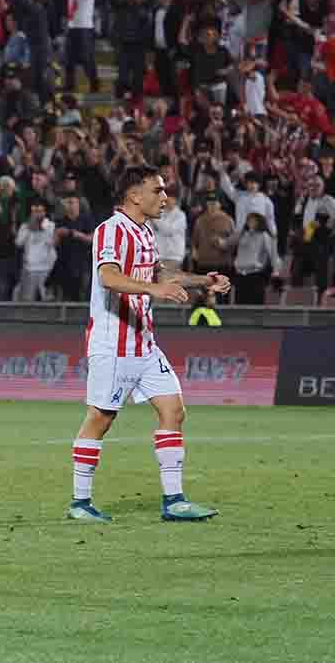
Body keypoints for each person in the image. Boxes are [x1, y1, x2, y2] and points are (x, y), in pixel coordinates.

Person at [68, 165, 230, 525]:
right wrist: (155, 289)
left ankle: (174, 501)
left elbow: (158, 273)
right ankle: (80, 502)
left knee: (174, 410)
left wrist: (203, 281)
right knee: (100, 418)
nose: (165, 197)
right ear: (133, 195)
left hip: (144, 342)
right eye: (157, 190)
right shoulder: (111, 229)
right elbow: (108, 276)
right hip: (113, 343)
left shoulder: (144, 231)